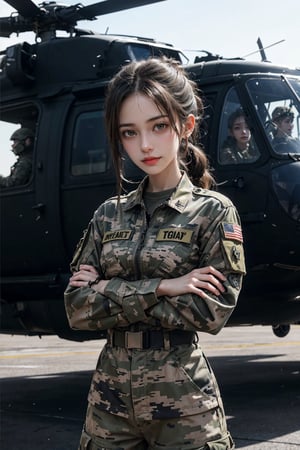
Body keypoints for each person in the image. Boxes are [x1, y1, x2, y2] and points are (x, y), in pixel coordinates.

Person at [64, 57, 246, 450]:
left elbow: (209, 311)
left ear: (186, 125)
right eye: (129, 133)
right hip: (108, 402)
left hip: (184, 403)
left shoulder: (213, 211)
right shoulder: (108, 215)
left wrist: (110, 290)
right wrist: (165, 286)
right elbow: (76, 308)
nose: (144, 145)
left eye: (158, 126)